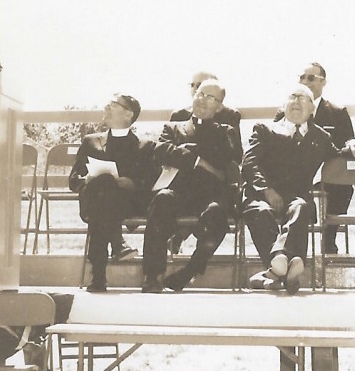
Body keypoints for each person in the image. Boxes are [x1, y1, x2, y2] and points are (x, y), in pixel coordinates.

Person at [242, 85, 348, 293]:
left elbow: (339, 154)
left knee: (301, 207)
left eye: (303, 98)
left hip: (296, 196)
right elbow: (249, 162)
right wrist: (267, 190)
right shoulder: (264, 129)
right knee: (262, 212)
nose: (297, 101)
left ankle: (275, 270)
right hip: (261, 195)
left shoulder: (321, 137)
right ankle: (289, 267)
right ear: (284, 106)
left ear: (312, 110)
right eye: (293, 97)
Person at [143, 79, 242, 292]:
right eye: (200, 94)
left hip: (211, 195)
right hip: (180, 193)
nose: (202, 100)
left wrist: (185, 152)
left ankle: (189, 272)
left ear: (219, 107)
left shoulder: (226, 132)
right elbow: (160, 152)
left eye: (210, 97)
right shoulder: (173, 127)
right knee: (162, 199)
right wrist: (198, 160)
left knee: (217, 212)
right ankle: (152, 275)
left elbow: (226, 159)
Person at [69, 94, 155, 292]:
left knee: (102, 205)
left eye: (112, 105)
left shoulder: (144, 146)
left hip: (128, 203)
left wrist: (130, 183)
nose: (105, 108)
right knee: (103, 187)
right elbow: (73, 180)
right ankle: (117, 243)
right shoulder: (91, 142)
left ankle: (98, 276)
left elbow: (149, 183)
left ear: (128, 114)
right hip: (97, 199)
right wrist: (87, 180)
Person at [290, 63, 355, 254]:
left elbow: (349, 138)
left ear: (323, 82)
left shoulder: (337, 111)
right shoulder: (287, 111)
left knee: (341, 184)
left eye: (310, 78)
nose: (305, 82)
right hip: (295, 174)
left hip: (327, 172)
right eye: (301, 77)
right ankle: (294, 246)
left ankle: (329, 239)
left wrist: (354, 142)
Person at [169, 71, 242, 131]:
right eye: (192, 85)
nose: (194, 89)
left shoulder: (230, 115)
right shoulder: (179, 115)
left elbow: (234, 146)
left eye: (199, 85)